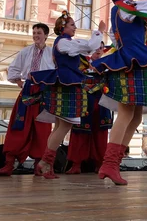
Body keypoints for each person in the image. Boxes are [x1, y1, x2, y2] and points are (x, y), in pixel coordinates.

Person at [92, 0, 147, 186]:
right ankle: (109, 163)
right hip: (130, 60)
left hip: (138, 59)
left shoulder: (129, 8)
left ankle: (113, 163)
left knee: (134, 117)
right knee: (126, 113)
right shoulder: (123, 7)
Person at [31, 11, 105, 179]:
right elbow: (89, 46)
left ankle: (46, 164)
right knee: (64, 126)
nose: (75, 27)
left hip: (66, 82)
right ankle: (44, 162)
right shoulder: (63, 43)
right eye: (72, 25)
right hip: (67, 84)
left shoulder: (65, 42)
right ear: (63, 27)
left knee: (59, 127)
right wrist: (99, 31)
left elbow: (87, 47)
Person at [0, 23, 54, 176]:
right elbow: (13, 69)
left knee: (42, 128)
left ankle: (39, 166)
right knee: (18, 124)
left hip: (44, 92)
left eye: (39, 32)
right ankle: (9, 164)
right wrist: (20, 82)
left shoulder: (52, 53)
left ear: (46, 35)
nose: (35, 35)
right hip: (27, 90)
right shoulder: (25, 52)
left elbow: (57, 72)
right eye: (34, 32)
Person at [66, 42, 113, 174]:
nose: (98, 50)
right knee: (79, 133)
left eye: (101, 47)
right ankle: (76, 164)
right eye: (96, 47)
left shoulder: (108, 64)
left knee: (101, 134)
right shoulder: (81, 63)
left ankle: (100, 164)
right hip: (84, 102)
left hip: (102, 103)